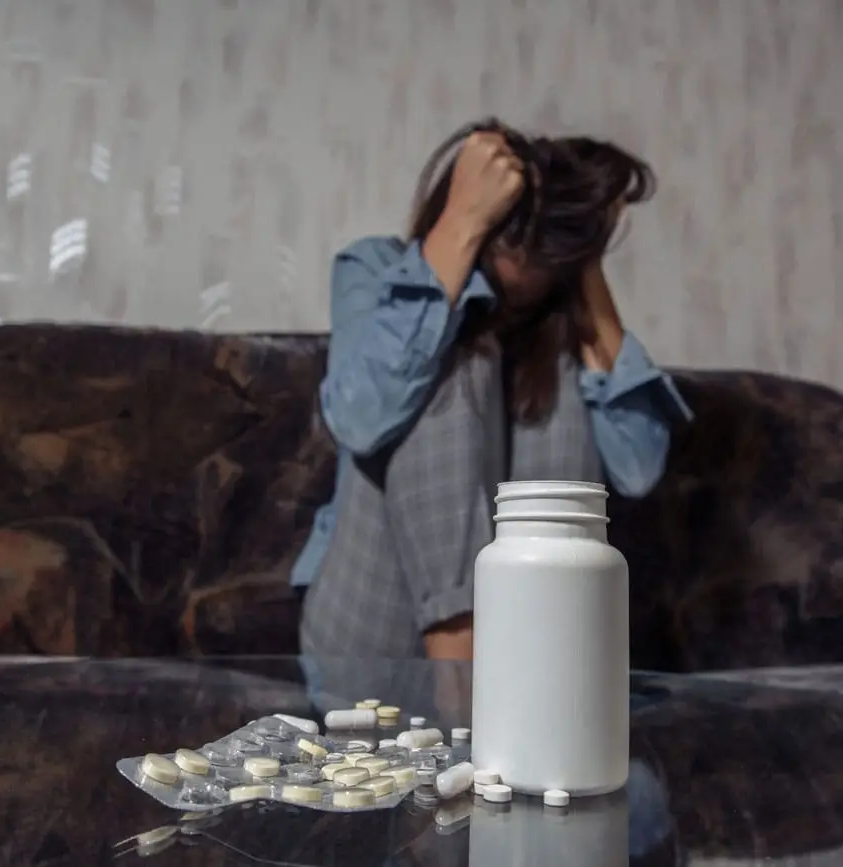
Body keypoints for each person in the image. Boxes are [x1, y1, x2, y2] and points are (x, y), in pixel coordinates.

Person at [293, 118, 693, 661]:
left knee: (550, 365)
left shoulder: (559, 320)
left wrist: (584, 263)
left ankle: (510, 691)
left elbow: (638, 467)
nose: (526, 265)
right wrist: (460, 222)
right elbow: (360, 419)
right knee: (459, 349)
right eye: (514, 240)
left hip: (535, 645)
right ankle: (464, 667)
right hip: (377, 639)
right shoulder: (373, 268)